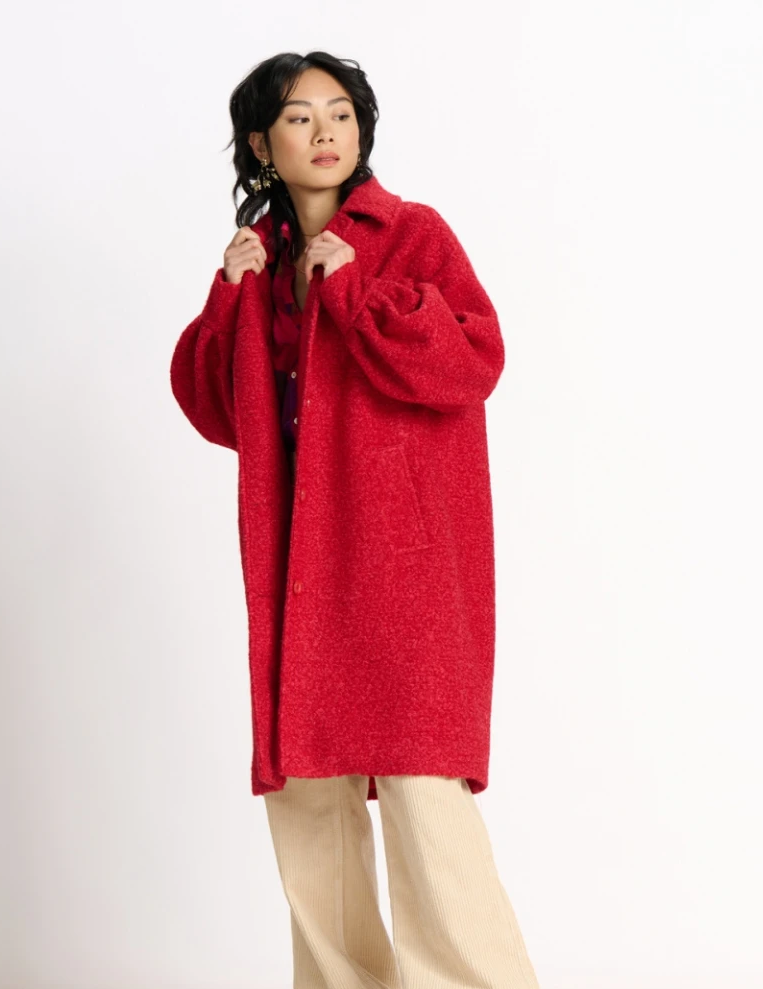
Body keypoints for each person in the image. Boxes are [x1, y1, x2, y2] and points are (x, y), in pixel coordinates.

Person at [170, 49, 541, 989]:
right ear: (262, 144)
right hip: (297, 565)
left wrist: (358, 294)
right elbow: (216, 409)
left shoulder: (412, 235)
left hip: (401, 566)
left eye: (341, 113)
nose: (326, 132)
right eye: (299, 118)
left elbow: (475, 360)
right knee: (308, 808)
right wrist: (229, 293)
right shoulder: (260, 262)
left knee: (426, 802)